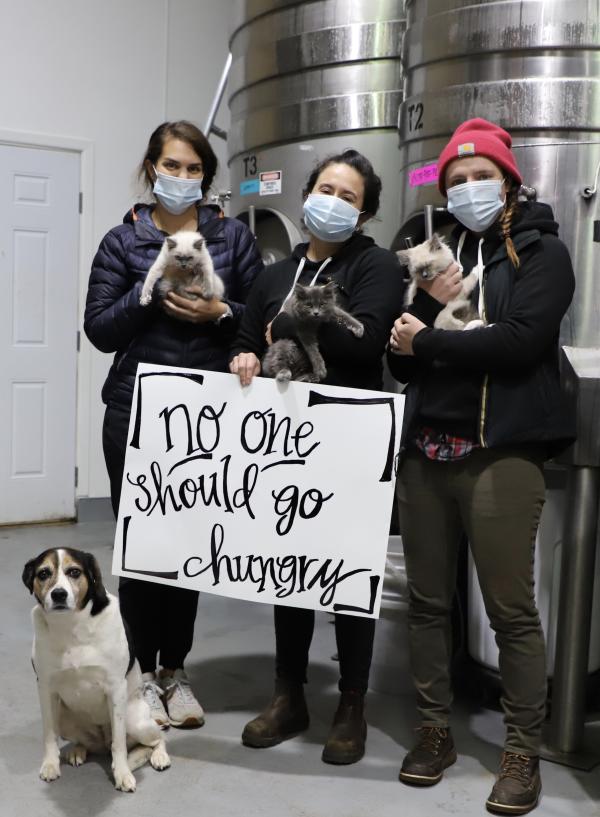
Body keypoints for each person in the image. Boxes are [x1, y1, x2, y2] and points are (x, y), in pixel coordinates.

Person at [388, 118, 575, 815]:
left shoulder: (542, 253)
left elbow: (523, 342)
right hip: (427, 450)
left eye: (481, 176)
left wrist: (432, 337)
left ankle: (522, 749)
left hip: (503, 451)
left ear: (510, 181)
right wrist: (418, 342)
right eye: (456, 180)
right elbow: (397, 351)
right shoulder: (427, 252)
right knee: (429, 603)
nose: (469, 188)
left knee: (511, 609)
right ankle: (434, 730)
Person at [84, 120, 263, 730]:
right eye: (173, 166)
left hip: (207, 415)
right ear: (151, 168)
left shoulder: (232, 238)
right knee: (139, 552)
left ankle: (174, 673)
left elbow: (257, 321)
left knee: (188, 550)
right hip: (134, 409)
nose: (182, 178)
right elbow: (99, 329)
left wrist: (220, 311)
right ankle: (137, 677)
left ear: (206, 178)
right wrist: (148, 287)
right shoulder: (121, 241)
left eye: (194, 169)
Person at [229, 149, 405, 764]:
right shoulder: (274, 276)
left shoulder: (375, 265)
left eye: (349, 196)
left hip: (349, 441)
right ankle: (289, 695)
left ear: (365, 213)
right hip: (286, 448)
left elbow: (366, 345)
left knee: (348, 575)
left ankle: (351, 702)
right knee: (292, 571)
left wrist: (299, 326)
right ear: (307, 195)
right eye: (325, 188)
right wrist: (247, 355)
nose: (333, 201)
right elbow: (249, 336)